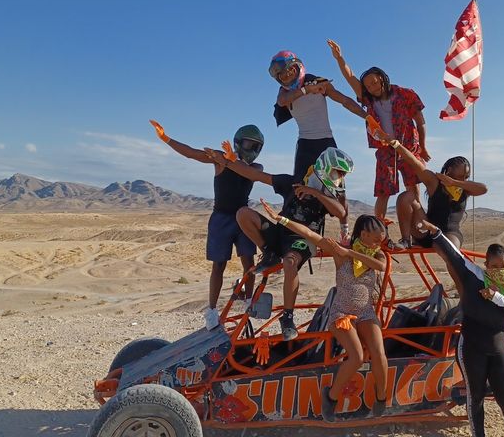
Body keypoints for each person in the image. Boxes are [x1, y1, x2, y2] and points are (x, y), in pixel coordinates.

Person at [206, 147, 353, 341]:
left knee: (290, 263)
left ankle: (288, 318)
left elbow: (341, 212)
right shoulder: (291, 183)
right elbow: (256, 174)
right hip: (281, 234)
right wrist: (227, 162)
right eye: (338, 172)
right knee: (243, 214)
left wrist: (313, 192)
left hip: (303, 240)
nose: (339, 178)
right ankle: (269, 253)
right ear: (326, 166)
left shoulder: (327, 195)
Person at [260, 200, 389, 421]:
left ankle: (381, 397)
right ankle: (331, 397)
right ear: (363, 234)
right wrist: (281, 219)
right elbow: (310, 234)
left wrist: (349, 254)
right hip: (342, 313)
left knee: (378, 354)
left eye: (382, 234)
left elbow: (381, 267)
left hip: (366, 312)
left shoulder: (376, 255)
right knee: (356, 357)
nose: (381, 237)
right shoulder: (340, 252)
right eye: (376, 233)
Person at [417, 218, 504, 437]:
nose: (498, 270)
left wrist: (497, 297)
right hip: (471, 348)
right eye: (493, 266)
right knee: (475, 398)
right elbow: (455, 256)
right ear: (486, 266)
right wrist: (437, 232)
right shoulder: (474, 277)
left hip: (499, 350)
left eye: (503, 267)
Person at [150, 120, 263, 330]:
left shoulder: (255, 167)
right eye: (248, 145)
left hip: (242, 217)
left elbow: (245, 170)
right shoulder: (220, 160)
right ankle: (211, 310)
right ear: (238, 143)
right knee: (218, 265)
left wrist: (230, 160)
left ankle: (249, 302)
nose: (252, 150)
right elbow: (191, 153)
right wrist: (166, 138)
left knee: (249, 262)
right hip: (221, 218)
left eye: (256, 146)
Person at [269, 50, 368, 243]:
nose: (287, 75)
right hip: (304, 145)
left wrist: (367, 118)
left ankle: (344, 233)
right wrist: (307, 90)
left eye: (289, 70)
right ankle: (301, 233)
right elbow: (283, 101)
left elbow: (345, 101)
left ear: (296, 66)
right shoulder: (285, 92)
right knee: (299, 188)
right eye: (282, 75)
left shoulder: (319, 82)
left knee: (339, 190)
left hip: (326, 142)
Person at [327, 39, 429, 220]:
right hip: (385, 149)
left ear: (382, 78)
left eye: (374, 83)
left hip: (408, 147)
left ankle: (418, 226)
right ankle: (380, 230)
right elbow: (350, 77)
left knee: (413, 187)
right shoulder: (368, 100)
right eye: (367, 86)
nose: (372, 88)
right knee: (384, 191)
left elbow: (420, 121)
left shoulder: (405, 95)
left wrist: (423, 146)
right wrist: (339, 58)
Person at [376, 135, 486, 248]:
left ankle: (450, 258)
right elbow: (414, 162)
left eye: (466, 177)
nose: (463, 179)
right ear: (448, 171)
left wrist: (454, 182)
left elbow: (483, 189)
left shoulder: (466, 188)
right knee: (406, 196)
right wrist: (396, 144)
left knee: (450, 250)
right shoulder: (434, 182)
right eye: (459, 176)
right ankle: (405, 240)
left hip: (450, 234)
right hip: (426, 232)